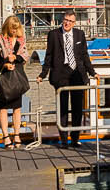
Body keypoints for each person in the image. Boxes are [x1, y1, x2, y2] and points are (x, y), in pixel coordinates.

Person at [41, 11, 95, 145]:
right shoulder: (53, 35)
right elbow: (48, 56)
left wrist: (92, 72)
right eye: (65, 20)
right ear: (62, 19)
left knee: (78, 108)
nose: (67, 23)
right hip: (61, 74)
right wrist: (43, 74)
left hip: (77, 74)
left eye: (70, 21)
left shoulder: (79, 34)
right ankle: (64, 139)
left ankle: (75, 138)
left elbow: (84, 55)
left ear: (74, 23)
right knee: (62, 107)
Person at [0, 15, 31, 147]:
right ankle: (6, 136)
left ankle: (17, 135)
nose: (14, 30)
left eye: (16, 28)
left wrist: (16, 57)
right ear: (7, 27)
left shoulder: (21, 40)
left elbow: (25, 56)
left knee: (17, 108)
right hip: (4, 77)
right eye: (12, 28)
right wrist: (5, 63)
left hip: (17, 76)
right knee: (3, 108)